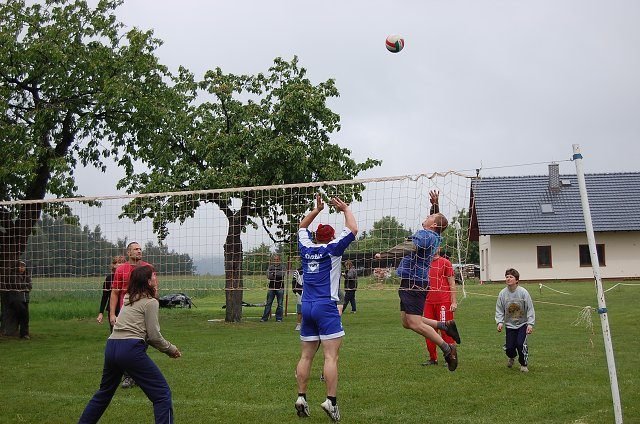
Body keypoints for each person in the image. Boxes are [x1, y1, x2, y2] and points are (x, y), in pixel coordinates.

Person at [78, 265, 181, 424]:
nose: (156, 277)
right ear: (148, 281)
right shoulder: (150, 302)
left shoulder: (128, 298)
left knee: (104, 393)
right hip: (130, 349)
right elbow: (153, 336)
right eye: (153, 275)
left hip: (111, 346)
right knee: (162, 394)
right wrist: (171, 349)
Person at [374, 190, 461, 372]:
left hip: (414, 283)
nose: (427, 216)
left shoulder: (426, 235)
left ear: (433, 224)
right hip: (411, 282)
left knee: (414, 323)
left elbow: (410, 246)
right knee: (407, 322)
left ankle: (447, 349)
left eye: (430, 216)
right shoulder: (434, 235)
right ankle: (444, 325)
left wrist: (385, 255)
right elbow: (438, 222)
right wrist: (435, 206)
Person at [294, 194, 357, 422]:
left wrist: (317, 210)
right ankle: (331, 401)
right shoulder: (333, 249)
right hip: (326, 306)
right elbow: (353, 229)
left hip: (307, 306)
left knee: (306, 356)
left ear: (315, 237)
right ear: (330, 237)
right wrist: (345, 209)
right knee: (331, 357)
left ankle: (301, 397)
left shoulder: (305, 247)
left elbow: (301, 227)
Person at [109, 242, 152, 388]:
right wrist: (112, 314)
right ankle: (128, 377)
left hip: (143, 312)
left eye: (140, 249)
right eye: (136, 249)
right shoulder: (121, 270)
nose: (139, 251)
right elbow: (115, 293)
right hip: (125, 313)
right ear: (128, 253)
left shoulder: (148, 268)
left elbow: (154, 289)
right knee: (126, 346)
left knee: (143, 344)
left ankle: (137, 375)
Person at [495, 268, 535, 373]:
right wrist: (500, 322)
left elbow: (530, 308)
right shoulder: (502, 293)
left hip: (522, 324)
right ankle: (511, 357)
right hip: (509, 325)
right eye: (507, 277)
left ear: (516, 280)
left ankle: (523, 364)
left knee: (521, 344)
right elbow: (499, 309)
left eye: (511, 277)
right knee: (509, 348)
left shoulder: (523, 292)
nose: (508, 279)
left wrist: (530, 324)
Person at [422, 250, 457, 365]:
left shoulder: (446, 262)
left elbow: (452, 283)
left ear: (439, 248)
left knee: (446, 330)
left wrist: (454, 302)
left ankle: (451, 357)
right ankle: (433, 358)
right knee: (428, 330)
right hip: (428, 302)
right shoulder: (424, 263)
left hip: (444, 302)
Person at [97, 255, 125, 332]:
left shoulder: (127, 277)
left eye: (122, 262)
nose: (120, 264)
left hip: (125, 308)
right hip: (113, 309)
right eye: (118, 262)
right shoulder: (109, 279)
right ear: (113, 265)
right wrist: (101, 313)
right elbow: (105, 296)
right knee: (114, 331)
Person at [260, 255, 286, 322]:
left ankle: (279, 318)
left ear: (279, 260)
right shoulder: (270, 267)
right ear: (273, 260)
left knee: (280, 304)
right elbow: (269, 276)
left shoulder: (282, 267)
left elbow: (282, 274)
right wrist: (275, 274)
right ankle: (264, 318)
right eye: (274, 260)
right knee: (268, 303)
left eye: (277, 259)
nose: (276, 261)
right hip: (271, 288)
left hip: (280, 288)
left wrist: (273, 273)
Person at [292, 265, 304, 331]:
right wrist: (295, 291)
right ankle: (299, 324)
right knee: (300, 309)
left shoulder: (314, 269)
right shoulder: (297, 271)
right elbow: (294, 281)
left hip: (311, 292)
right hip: (300, 292)